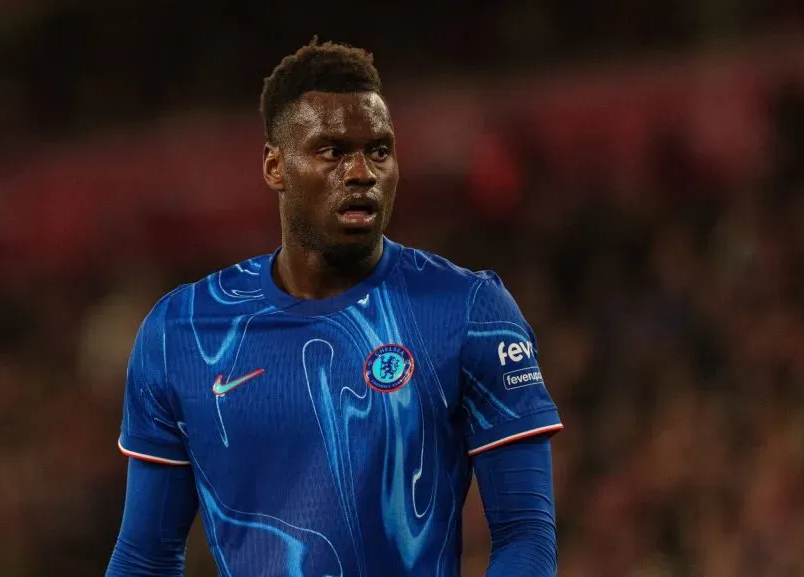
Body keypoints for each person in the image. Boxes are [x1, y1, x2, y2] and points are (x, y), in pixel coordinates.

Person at [105, 38, 563, 576]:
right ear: (275, 167)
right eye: (333, 151)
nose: (362, 171)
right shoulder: (180, 332)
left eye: (379, 150)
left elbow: (525, 534)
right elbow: (146, 557)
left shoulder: (469, 310)